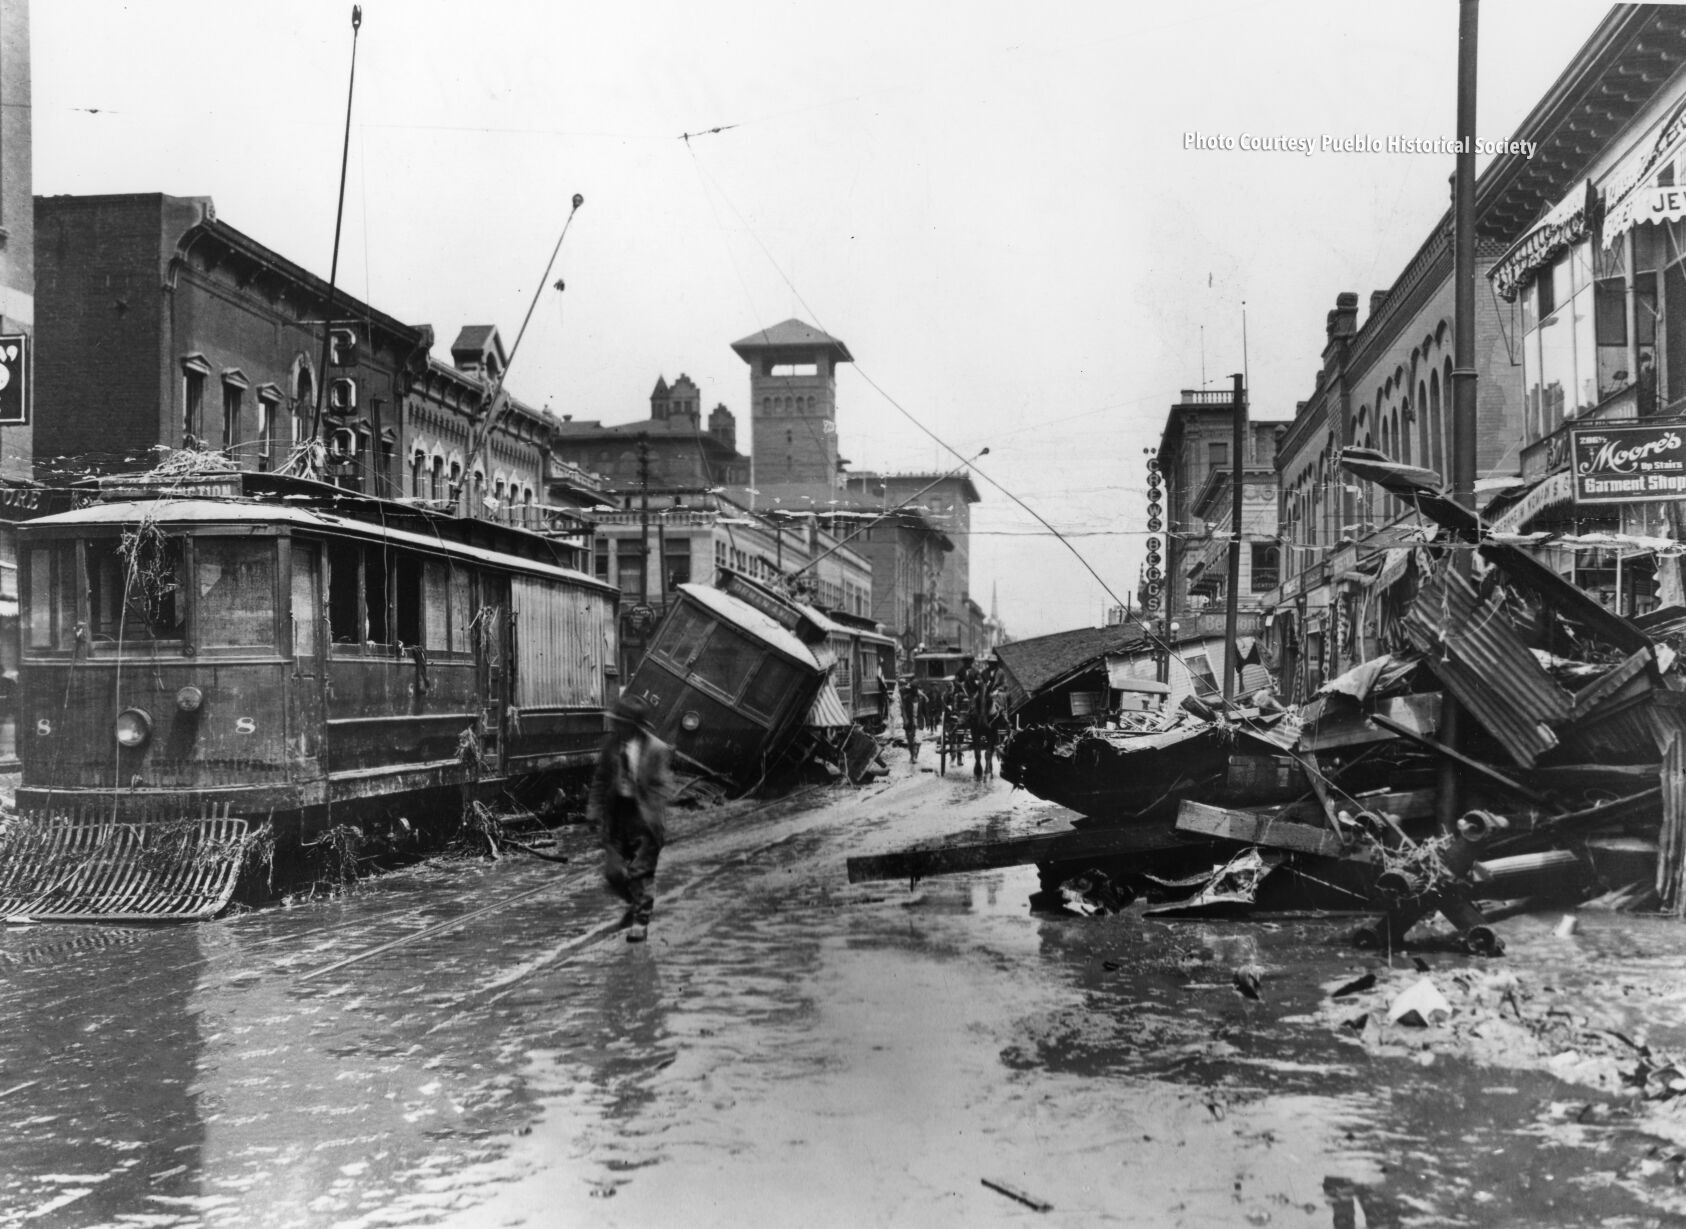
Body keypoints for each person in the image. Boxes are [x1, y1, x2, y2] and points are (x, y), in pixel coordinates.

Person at [586, 693, 671, 943]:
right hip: (617, 814)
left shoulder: (657, 749)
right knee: (613, 873)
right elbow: (601, 779)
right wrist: (593, 811)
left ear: (634, 725)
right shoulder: (611, 746)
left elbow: (662, 786)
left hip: (643, 816)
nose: (615, 727)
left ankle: (640, 922)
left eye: (620, 723)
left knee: (641, 872)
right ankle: (635, 905)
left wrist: (653, 819)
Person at [899, 677, 923, 764]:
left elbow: (925, 709)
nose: (915, 690)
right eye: (913, 688)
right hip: (909, 722)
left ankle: (915, 754)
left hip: (919, 721)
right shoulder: (906, 698)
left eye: (916, 688)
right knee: (910, 741)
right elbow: (903, 709)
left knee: (918, 741)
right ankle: (912, 756)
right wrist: (905, 719)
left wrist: (928, 720)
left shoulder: (921, 698)